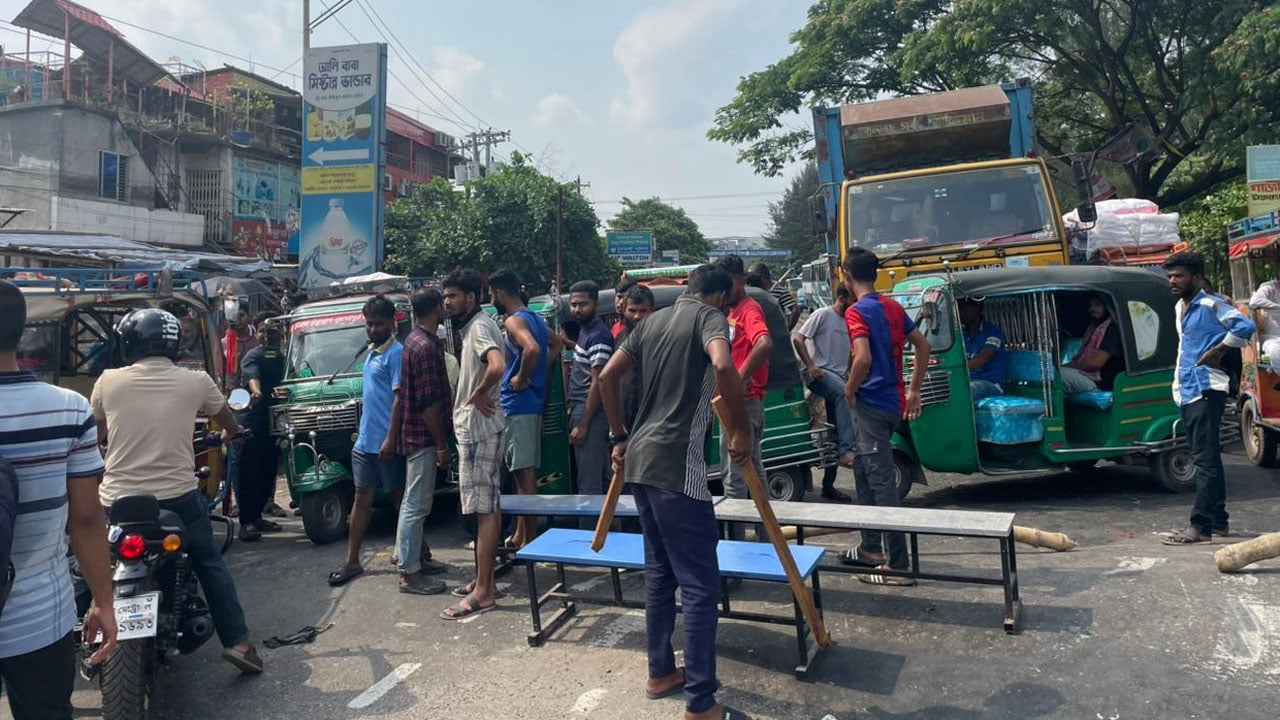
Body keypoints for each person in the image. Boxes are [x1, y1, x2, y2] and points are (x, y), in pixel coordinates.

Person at [599, 264, 753, 720]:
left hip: (639, 464)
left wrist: (617, 435)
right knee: (702, 587)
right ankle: (701, 703)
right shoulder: (710, 318)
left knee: (661, 573)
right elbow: (724, 364)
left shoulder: (652, 322)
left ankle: (661, 672)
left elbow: (607, 377)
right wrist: (741, 430)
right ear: (721, 297)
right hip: (676, 467)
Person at [91, 308, 263, 673]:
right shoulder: (196, 381)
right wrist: (231, 434)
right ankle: (238, 642)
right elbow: (230, 424)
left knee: (87, 566)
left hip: (117, 501)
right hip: (178, 499)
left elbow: (97, 438)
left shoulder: (107, 381)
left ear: (129, 342)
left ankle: (78, 637)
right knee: (208, 562)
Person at [0, 280, 118, 719]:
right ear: (22, 331)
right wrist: (104, 603)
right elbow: (86, 520)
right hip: (38, 617)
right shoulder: (67, 409)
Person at [840, 248, 932, 585]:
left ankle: (899, 565)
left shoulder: (856, 312)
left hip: (871, 406)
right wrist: (914, 388)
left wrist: (849, 390)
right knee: (864, 471)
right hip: (893, 401)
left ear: (846, 276)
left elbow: (861, 359)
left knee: (881, 482)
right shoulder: (893, 307)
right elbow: (922, 345)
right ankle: (870, 549)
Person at [1161, 252, 1255, 545]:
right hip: (1188, 389)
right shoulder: (1181, 307)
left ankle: (1199, 527)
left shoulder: (1212, 304)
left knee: (1204, 460)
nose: (1173, 281)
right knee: (1209, 456)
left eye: (1179, 276)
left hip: (1205, 389)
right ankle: (1217, 522)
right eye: (1171, 276)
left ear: (1197, 277)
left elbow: (1245, 327)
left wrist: (1218, 351)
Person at [441, 269, 506, 619]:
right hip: (479, 428)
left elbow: (497, 364)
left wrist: (479, 391)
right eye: (446, 297)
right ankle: (486, 581)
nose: (448, 303)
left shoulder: (480, 326)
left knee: (483, 511)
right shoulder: (476, 325)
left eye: (453, 296)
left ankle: (484, 591)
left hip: (479, 429)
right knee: (487, 507)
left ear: (471, 295)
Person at [328, 296, 404, 586]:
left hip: (386, 443)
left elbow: (399, 399)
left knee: (400, 500)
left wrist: (391, 438)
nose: (372, 329)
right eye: (369, 323)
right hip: (365, 443)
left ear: (391, 322)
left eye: (378, 324)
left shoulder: (396, 353)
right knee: (361, 499)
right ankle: (352, 561)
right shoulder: (372, 352)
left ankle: (421, 554)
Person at [393, 289, 452, 596]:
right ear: (437, 308)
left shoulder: (414, 341)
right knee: (416, 505)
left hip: (415, 435)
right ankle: (409, 573)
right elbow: (429, 403)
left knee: (415, 502)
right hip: (423, 437)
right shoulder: (425, 347)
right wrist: (442, 445)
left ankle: (413, 560)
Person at [491, 270, 551, 549]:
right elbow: (557, 344)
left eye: (492, 294)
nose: (491, 299)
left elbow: (534, 349)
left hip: (519, 404)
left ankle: (530, 539)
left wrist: (523, 377)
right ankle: (519, 535)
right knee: (520, 471)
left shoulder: (515, 321)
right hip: (530, 403)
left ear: (501, 293)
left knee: (524, 473)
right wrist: (539, 379)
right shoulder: (534, 317)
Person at [715, 255, 771, 539]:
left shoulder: (749, 309)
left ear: (740, 280)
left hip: (744, 404)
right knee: (753, 473)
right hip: (732, 403)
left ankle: (735, 550)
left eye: (728, 283)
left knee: (734, 480)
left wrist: (740, 378)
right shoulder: (728, 310)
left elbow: (764, 343)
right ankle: (768, 540)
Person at [792, 285, 856, 494]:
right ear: (841, 297)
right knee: (843, 395)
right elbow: (798, 338)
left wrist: (848, 371)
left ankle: (829, 486)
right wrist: (811, 366)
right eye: (852, 299)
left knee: (834, 431)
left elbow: (848, 352)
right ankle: (848, 450)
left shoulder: (848, 321)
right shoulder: (822, 314)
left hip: (836, 377)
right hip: (818, 374)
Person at [235, 312, 286, 542]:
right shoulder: (252, 356)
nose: (267, 334)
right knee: (249, 473)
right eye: (263, 330)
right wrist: (256, 391)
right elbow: (252, 377)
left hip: (274, 422)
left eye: (272, 329)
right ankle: (245, 523)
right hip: (252, 422)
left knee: (268, 471)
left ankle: (257, 517)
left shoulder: (284, 357)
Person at [567, 281, 614, 503]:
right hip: (586, 411)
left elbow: (598, 382)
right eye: (574, 304)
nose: (577, 309)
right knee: (601, 479)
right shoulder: (586, 333)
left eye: (582, 304)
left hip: (590, 412)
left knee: (589, 486)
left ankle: (589, 535)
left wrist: (583, 423)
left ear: (595, 303)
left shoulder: (598, 336)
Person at [222, 305, 258, 518]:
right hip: (234, 398)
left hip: (258, 396)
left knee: (261, 449)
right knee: (236, 453)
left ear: (248, 316)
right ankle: (237, 500)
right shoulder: (225, 342)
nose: (238, 320)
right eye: (234, 316)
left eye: (241, 315)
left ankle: (267, 500)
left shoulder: (258, 338)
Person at [1060, 293, 1125, 393]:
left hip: (1100, 382)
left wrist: (1069, 368)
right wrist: (1062, 367)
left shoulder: (1113, 328)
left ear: (1107, 306)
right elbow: (1078, 359)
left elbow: (1096, 363)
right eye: (1090, 306)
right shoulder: (1093, 328)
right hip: (1086, 375)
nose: (1092, 309)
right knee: (1050, 374)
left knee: (1053, 378)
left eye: (1097, 304)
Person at [958, 298, 1007, 399]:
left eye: (964, 309)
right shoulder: (961, 334)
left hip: (990, 383)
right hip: (968, 381)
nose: (960, 313)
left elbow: (981, 360)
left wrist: (955, 368)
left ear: (976, 309)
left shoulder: (992, 333)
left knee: (963, 391)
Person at [749, 262, 800, 330]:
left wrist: (788, 329)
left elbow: (796, 310)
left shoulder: (780, 291)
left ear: (762, 278)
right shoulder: (755, 291)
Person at [1248, 268, 1280, 368]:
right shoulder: (1269, 288)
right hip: (1272, 338)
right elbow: (1254, 302)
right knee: (1275, 351)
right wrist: (1277, 308)